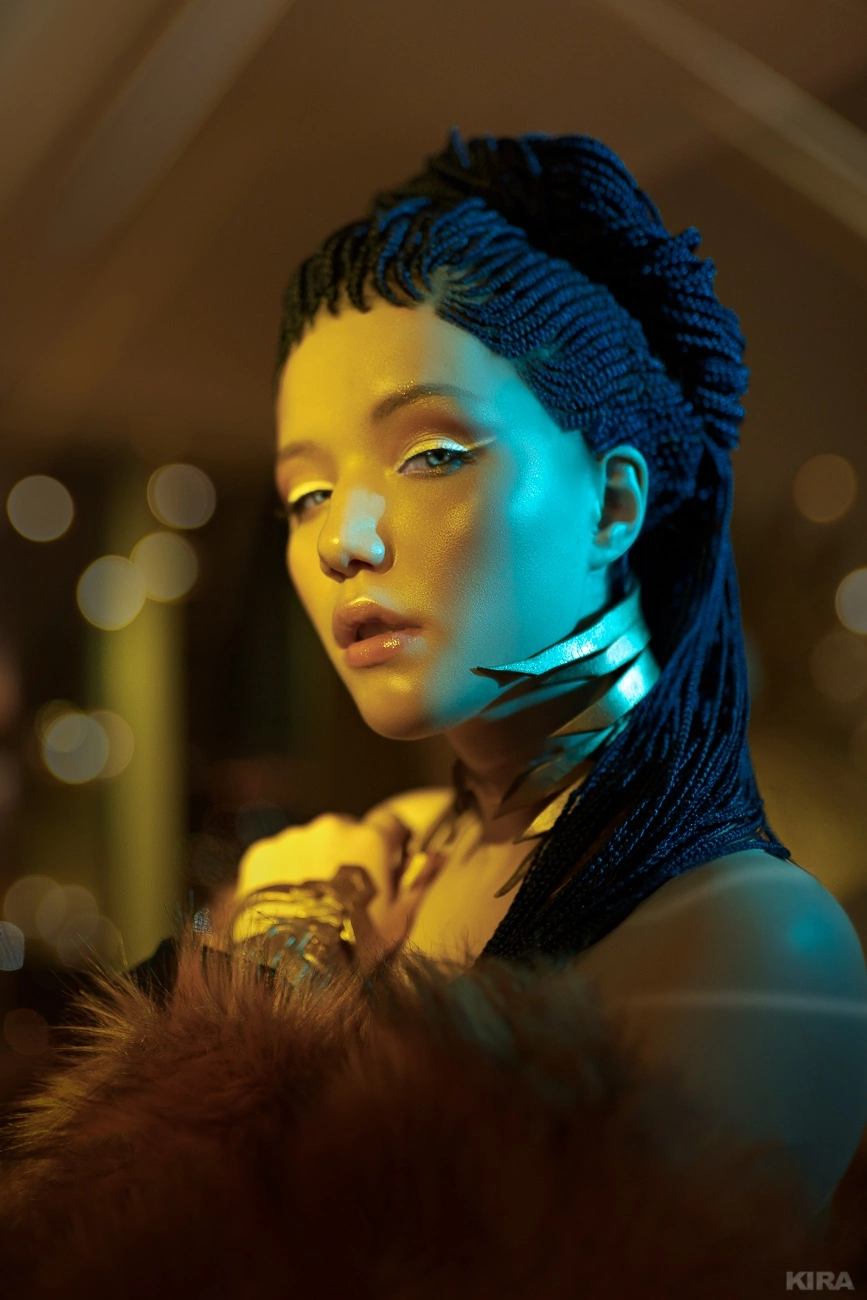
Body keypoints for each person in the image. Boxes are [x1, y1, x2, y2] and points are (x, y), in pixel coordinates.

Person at [81, 131, 867, 1226]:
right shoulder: (362, 863)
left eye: (432, 455)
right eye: (306, 494)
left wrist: (271, 994)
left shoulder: (751, 942)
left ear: (613, 504)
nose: (341, 540)